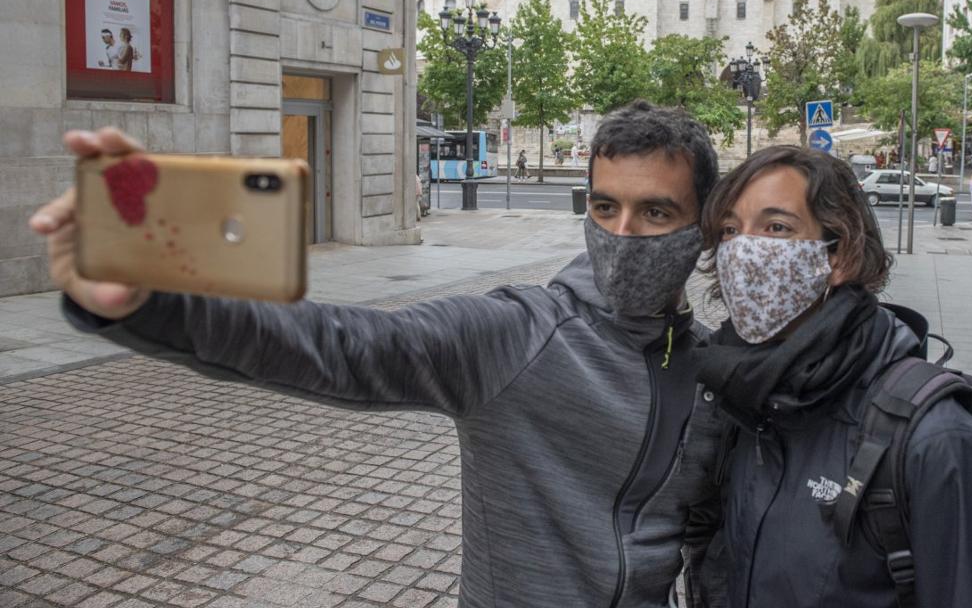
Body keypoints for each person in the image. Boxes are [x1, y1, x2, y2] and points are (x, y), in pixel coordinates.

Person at [30, 102, 725, 608]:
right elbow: (346, 346)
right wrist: (155, 304)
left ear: (701, 225)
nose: (623, 233)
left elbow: (696, 538)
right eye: (604, 208)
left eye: (655, 213)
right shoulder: (520, 334)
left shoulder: (708, 369)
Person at [694, 146, 972, 606]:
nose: (743, 250)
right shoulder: (740, 395)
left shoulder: (936, 439)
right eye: (730, 229)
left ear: (839, 255)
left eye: (777, 227)